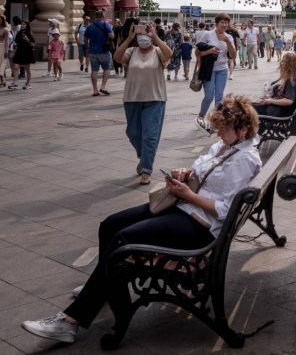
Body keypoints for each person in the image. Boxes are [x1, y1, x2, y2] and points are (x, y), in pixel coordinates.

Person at [20, 96, 262, 345]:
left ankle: (70, 321)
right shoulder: (227, 147)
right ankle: (104, 286)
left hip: (200, 227)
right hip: (184, 207)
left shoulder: (244, 159)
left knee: (123, 239)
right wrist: (186, 173)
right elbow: (205, 173)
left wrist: (188, 194)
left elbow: (223, 210)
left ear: (243, 129)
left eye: (224, 128)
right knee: (111, 224)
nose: (219, 133)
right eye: (218, 127)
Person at [114, 22, 171, 185]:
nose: (142, 38)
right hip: (132, 99)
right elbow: (117, 57)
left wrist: (155, 37)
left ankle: (147, 169)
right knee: (132, 133)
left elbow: (169, 54)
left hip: (155, 99)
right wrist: (129, 38)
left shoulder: (158, 52)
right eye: (140, 35)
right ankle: (144, 155)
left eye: (145, 35)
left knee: (150, 136)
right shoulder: (131, 52)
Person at [195, 14, 237, 133]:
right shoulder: (207, 34)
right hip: (209, 70)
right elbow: (198, 53)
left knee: (219, 97)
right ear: (216, 23)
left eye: (226, 22)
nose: (224, 25)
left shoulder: (229, 37)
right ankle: (201, 116)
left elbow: (233, 56)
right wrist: (209, 50)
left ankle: (215, 121)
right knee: (209, 96)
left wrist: (228, 41)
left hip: (222, 70)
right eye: (222, 22)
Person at [256, 51, 296, 118]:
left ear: (290, 65)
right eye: (282, 61)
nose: (281, 63)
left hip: (279, 111)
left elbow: (289, 101)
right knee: (248, 105)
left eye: (284, 62)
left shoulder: (291, 80)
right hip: (280, 110)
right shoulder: (294, 77)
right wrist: (270, 99)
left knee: (247, 109)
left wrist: (270, 101)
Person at [84, 10, 114, 97]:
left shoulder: (90, 26)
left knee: (94, 70)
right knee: (106, 69)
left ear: (95, 16)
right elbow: (111, 36)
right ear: (103, 16)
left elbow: (86, 38)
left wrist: (87, 48)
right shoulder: (105, 24)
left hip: (92, 52)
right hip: (104, 51)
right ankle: (103, 87)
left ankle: (95, 90)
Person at [11, 20, 36, 90]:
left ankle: (28, 83)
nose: (22, 25)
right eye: (21, 24)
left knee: (27, 68)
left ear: (27, 25)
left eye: (24, 24)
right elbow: (16, 44)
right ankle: (15, 83)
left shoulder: (29, 33)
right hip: (19, 51)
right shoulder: (19, 33)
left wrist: (27, 40)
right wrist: (14, 52)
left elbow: (33, 44)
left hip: (27, 52)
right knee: (16, 67)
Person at [0, 14, 9, 87]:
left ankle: (2, 80)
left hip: (2, 47)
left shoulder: (5, 29)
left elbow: (7, 41)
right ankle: (3, 80)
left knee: (1, 65)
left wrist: (6, 51)